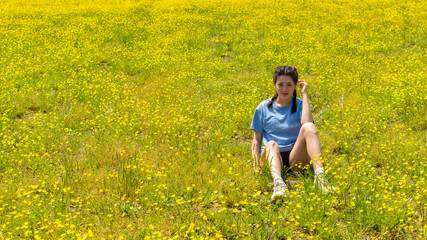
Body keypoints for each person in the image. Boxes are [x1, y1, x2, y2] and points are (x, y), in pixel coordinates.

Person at [250, 65, 335, 201]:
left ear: (295, 85)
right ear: (274, 85)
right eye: (280, 85)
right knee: (271, 144)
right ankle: (278, 185)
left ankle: (320, 178)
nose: (284, 89)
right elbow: (256, 140)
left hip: (295, 157)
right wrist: (255, 164)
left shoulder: (300, 104)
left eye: (289, 85)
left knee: (309, 127)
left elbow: (308, 123)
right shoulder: (263, 108)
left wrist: (305, 94)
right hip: (272, 155)